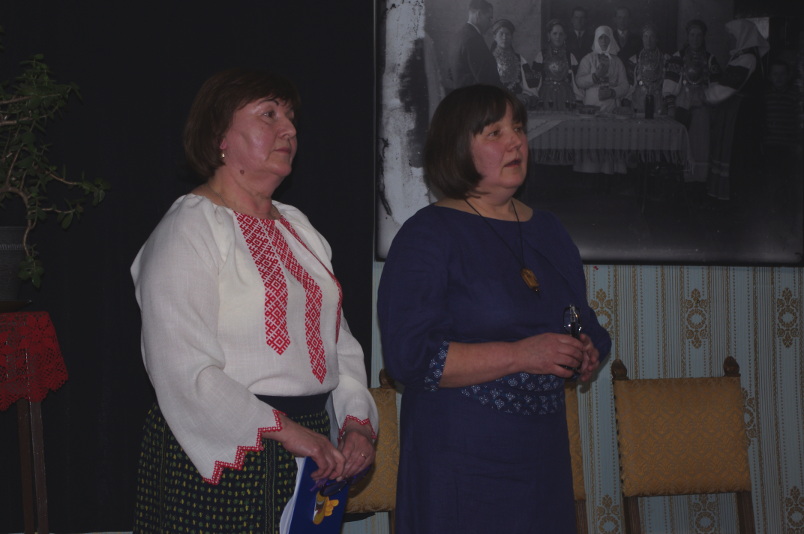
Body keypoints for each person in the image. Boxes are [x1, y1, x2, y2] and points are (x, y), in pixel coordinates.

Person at [130, 68, 378, 533]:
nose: (289, 130)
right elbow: (181, 367)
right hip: (222, 456)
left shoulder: (298, 227)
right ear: (219, 135)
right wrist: (287, 431)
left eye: (290, 117)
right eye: (269, 115)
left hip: (310, 452)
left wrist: (356, 424)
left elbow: (338, 344)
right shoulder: (190, 228)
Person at [377, 84, 611, 534]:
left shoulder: (549, 230)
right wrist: (522, 354)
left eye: (518, 128)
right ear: (457, 147)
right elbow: (411, 357)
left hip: (542, 463)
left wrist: (586, 348)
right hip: (460, 466)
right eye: (495, 132)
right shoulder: (428, 235)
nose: (516, 141)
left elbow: (580, 318)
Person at [705, 19, 769, 200]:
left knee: (736, 153)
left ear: (742, 37)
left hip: (742, 115)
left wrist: (704, 95)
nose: (730, 40)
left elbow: (727, 87)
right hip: (736, 112)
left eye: (733, 36)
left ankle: (734, 198)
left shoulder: (747, 59)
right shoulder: (743, 57)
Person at [663, 19, 721, 183]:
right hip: (681, 107)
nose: (695, 39)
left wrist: (708, 100)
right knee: (679, 145)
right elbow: (669, 86)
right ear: (687, 36)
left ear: (703, 37)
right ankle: (677, 182)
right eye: (692, 35)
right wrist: (671, 108)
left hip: (702, 108)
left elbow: (716, 88)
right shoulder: (677, 57)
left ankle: (697, 183)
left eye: (699, 35)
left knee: (700, 146)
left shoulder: (710, 59)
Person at [448, 0, 502, 90]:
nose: (491, 23)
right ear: (479, 14)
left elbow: (451, 73)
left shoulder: (457, 36)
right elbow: (487, 80)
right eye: (489, 18)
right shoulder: (474, 39)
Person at [531, 18, 583, 110]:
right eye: (554, 33)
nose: (558, 37)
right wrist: (534, 97)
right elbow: (535, 80)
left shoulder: (570, 56)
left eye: (561, 34)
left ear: (565, 36)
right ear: (549, 35)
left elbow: (576, 82)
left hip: (566, 96)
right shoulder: (541, 55)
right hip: (546, 96)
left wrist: (579, 99)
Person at [576, 25, 630, 113]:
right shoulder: (588, 59)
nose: (604, 41)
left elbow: (625, 85)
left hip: (611, 108)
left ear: (611, 39)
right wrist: (595, 76)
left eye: (606, 38)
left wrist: (612, 92)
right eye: (600, 38)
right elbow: (579, 81)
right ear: (596, 39)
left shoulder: (617, 61)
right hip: (591, 107)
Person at [490, 18, 536, 105]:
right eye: (501, 34)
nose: (504, 37)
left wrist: (527, 96)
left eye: (507, 34)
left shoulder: (520, 59)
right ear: (494, 37)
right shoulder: (489, 59)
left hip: (515, 104)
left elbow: (530, 86)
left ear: (512, 37)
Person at [628, 23, 669, 115]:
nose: (648, 41)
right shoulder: (634, 60)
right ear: (642, 39)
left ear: (657, 39)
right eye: (645, 36)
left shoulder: (665, 59)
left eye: (652, 37)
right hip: (639, 103)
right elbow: (630, 88)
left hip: (659, 103)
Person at [613, 6, 641, 71]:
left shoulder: (637, 39)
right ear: (615, 19)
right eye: (619, 18)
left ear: (629, 20)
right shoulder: (610, 37)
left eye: (625, 18)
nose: (622, 21)